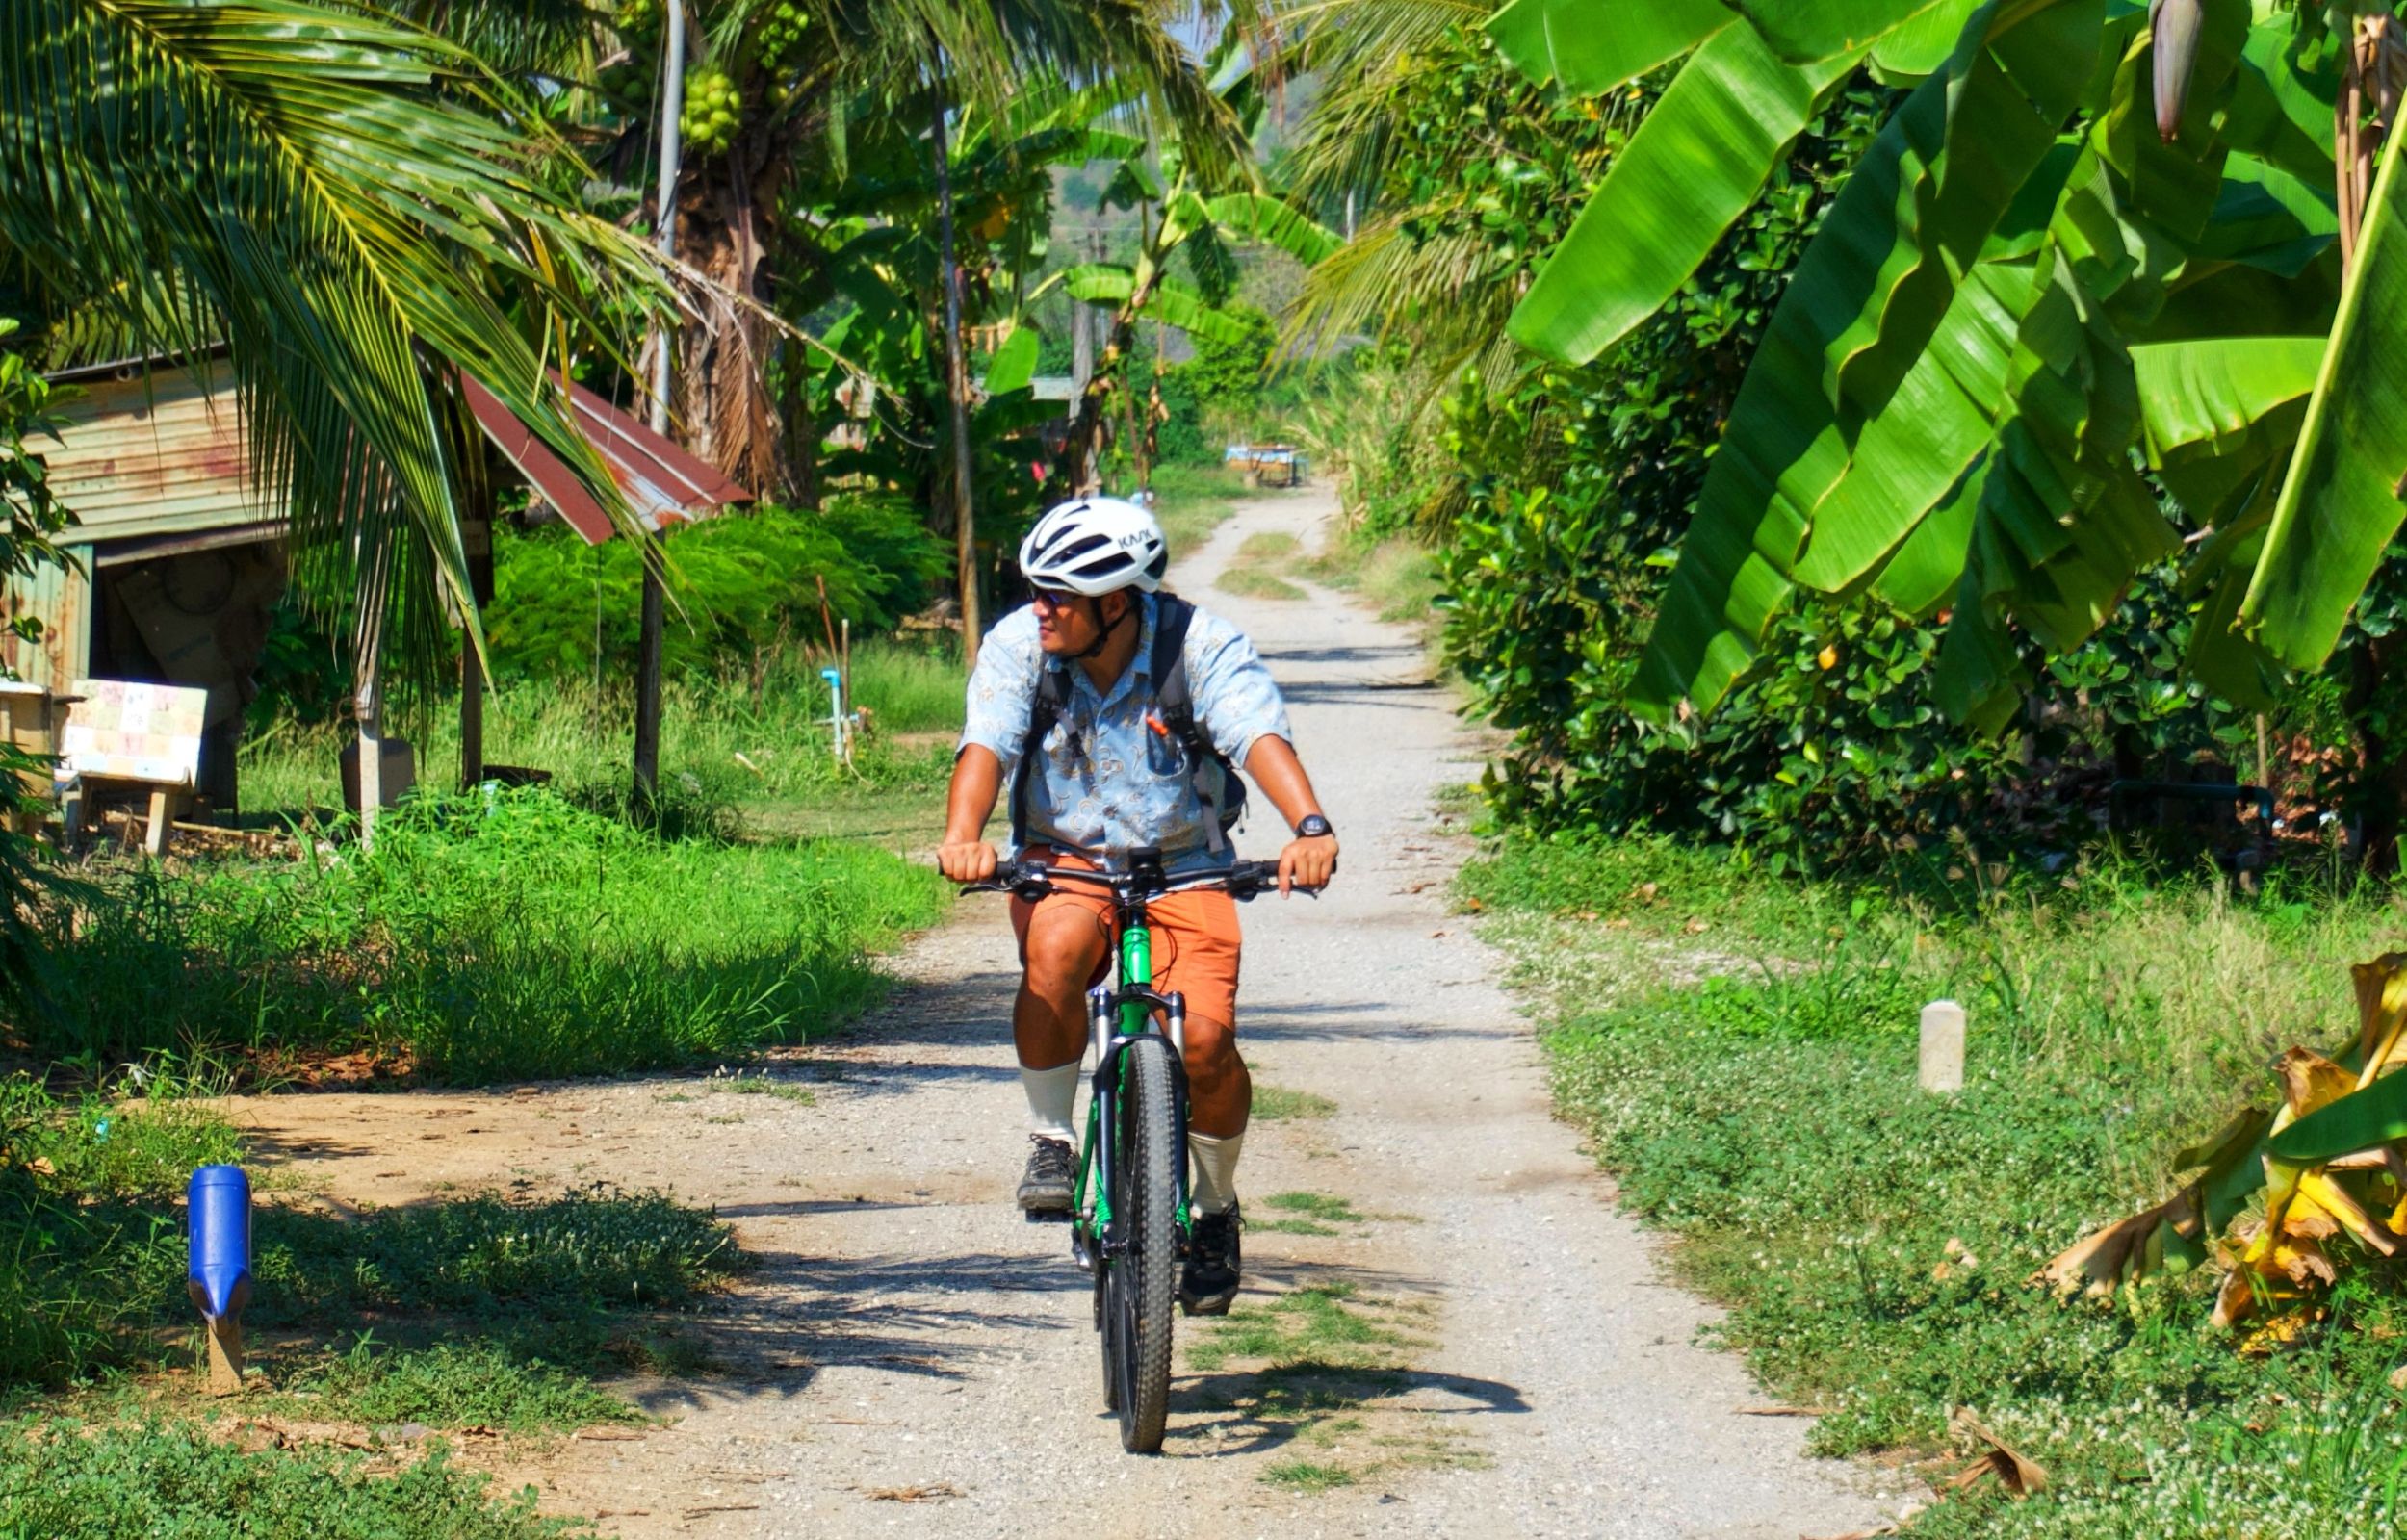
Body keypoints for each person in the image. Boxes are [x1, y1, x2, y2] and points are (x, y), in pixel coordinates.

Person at [936, 496, 1338, 1315]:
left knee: (1209, 1041)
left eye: (1059, 597)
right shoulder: (1022, 647)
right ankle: (1052, 1137)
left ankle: (1216, 1207)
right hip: (1067, 859)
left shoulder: (1201, 646)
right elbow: (988, 743)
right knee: (1054, 954)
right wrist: (962, 833)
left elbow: (1257, 735)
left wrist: (1310, 825)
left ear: (1116, 604)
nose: (1039, 609)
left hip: (1186, 866)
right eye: (1036, 590)